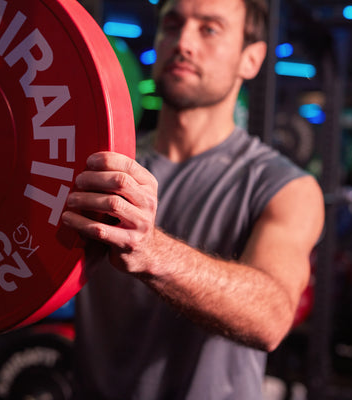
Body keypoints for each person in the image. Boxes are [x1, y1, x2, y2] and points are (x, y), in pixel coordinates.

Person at [61, 0, 325, 398]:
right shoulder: (103, 165)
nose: (182, 42)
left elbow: (272, 317)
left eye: (210, 29)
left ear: (250, 60)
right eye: (172, 24)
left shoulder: (286, 187)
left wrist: (151, 250)